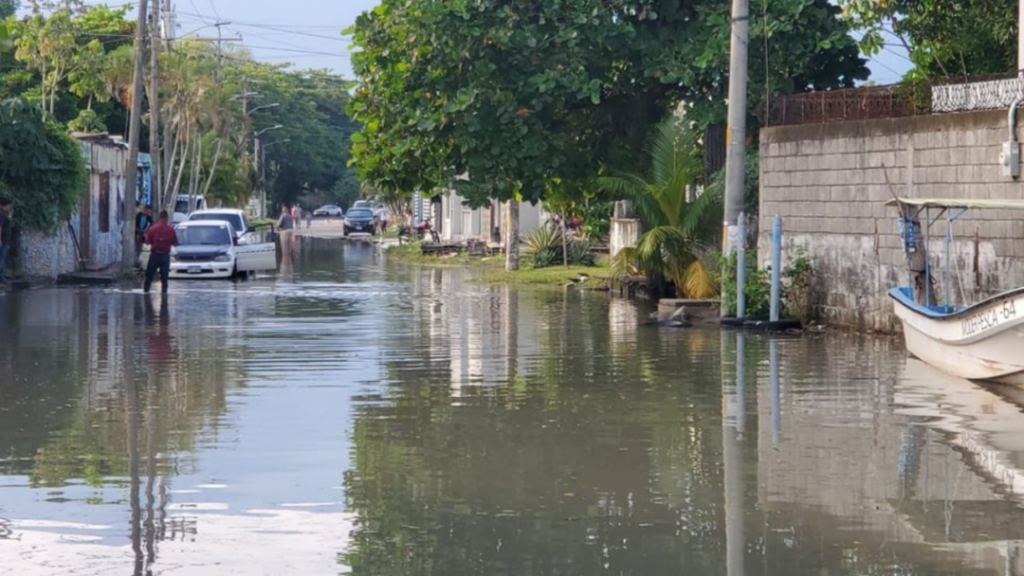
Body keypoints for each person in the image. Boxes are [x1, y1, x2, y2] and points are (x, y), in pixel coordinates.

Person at [143, 210, 178, 294]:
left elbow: (147, 242)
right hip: (165, 256)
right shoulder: (171, 230)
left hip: (154, 255)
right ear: (166, 218)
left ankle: (146, 292)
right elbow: (175, 243)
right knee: (164, 278)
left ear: (159, 217)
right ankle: (164, 295)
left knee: (149, 276)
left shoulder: (152, 229)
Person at [134, 204, 153, 269]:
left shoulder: (149, 218)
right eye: (147, 212)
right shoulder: (138, 216)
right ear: (144, 210)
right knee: (135, 248)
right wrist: (139, 230)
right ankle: (135, 262)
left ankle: (137, 262)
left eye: (149, 212)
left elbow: (151, 225)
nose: (148, 213)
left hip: (142, 234)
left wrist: (146, 231)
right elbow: (134, 225)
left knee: (139, 248)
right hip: (136, 234)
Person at [0, 198, 13, 286]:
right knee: (1, 260)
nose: (10, 207)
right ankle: (1, 278)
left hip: (5, 241)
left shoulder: (4, 214)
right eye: (9, 206)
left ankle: (2, 277)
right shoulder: (1, 215)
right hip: (3, 241)